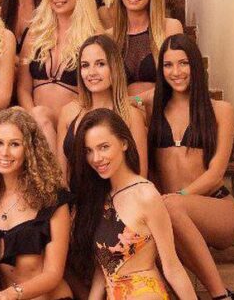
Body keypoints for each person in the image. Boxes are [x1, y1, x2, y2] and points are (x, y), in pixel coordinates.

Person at [148, 35, 234, 300]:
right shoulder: (153, 107)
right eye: (168, 65)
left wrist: (179, 198)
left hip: (216, 207)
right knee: (159, 221)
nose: (176, 72)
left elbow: (216, 175)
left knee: (169, 209)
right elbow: (128, 99)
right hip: (172, 213)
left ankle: (221, 295)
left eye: (183, 63)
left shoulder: (220, 110)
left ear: (196, 65)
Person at [69, 109, 195, 300]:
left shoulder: (146, 195)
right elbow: (104, 269)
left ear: (124, 143)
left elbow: (172, 267)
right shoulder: (98, 198)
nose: (96, 158)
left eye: (104, 147)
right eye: (89, 151)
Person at [0, 108, 73, 300]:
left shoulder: (53, 199)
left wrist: (11, 294)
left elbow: (53, 274)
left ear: (30, 149)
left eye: (15, 144)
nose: (4, 152)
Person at [17, 0, 102, 148]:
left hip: (76, 119)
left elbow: (99, 91)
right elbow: (23, 88)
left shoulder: (94, 36)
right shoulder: (35, 33)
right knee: (39, 115)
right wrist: (32, 117)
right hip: (38, 120)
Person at [56, 34, 148, 179]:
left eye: (100, 64)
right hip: (75, 193)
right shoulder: (68, 112)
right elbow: (61, 175)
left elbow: (140, 176)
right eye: (85, 65)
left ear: (114, 67)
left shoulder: (131, 116)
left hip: (119, 193)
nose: (92, 73)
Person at [110, 0, 183, 96]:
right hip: (125, 107)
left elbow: (178, 78)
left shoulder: (170, 27)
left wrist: (138, 100)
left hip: (162, 104)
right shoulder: (111, 36)